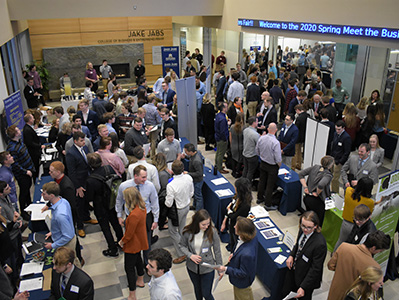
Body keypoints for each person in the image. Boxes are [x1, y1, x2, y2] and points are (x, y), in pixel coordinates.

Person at [328, 231, 391, 300]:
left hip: (335, 292)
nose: (379, 253)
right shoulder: (375, 267)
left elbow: (330, 266)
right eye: (380, 251)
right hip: (354, 296)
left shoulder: (344, 246)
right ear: (373, 248)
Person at [116, 165, 159, 264]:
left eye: (146, 176)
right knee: (132, 241)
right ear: (135, 176)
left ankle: (147, 264)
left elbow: (154, 203)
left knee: (146, 243)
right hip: (130, 217)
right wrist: (119, 215)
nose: (145, 179)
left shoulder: (150, 186)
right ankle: (137, 263)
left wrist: (155, 220)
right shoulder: (124, 186)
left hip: (145, 217)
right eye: (143, 177)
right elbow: (119, 201)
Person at [282, 211, 327, 300]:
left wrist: (303, 287)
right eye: (303, 226)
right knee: (285, 292)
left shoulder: (320, 244)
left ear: (316, 226)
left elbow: (315, 269)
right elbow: (297, 245)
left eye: (309, 227)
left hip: (306, 279)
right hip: (295, 270)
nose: (305, 229)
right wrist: (291, 255)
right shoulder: (302, 230)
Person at [179, 209, 223, 300]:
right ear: (196, 223)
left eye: (208, 223)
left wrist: (220, 268)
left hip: (207, 267)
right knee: (197, 290)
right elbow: (182, 245)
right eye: (203, 224)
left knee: (206, 293)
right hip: (192, 268)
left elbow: (217, 251)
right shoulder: (187, 231)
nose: (206, 226)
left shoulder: (212, 231)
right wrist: (190, 255)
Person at [86, 153, 123, 257]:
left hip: (100, 206)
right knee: (116, 223)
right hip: (112, 201)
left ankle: (112, 249)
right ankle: (122, 242)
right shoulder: (108, 168)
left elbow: (89, 197)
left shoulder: (90, 180)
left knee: (105, 227)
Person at [66, 131, 98, 238]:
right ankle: (80, 226)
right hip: (79, 183)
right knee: (79, 205)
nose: (84, 142)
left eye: (84, 140)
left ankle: (87, 218)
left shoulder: (84, 148)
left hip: (86, 180)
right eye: (81, 140)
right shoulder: (71, 153)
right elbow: (72, 172)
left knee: (85, 202)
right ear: (75, 141)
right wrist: (77, 187)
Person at [217, 217, 258, 300]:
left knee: (241, 296)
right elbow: (238, 246)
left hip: (242, 283)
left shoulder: (247, 254)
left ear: (242, 232)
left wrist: (226, 269)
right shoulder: (249, 238)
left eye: (237, 226)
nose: (234, 226)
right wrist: (234, 254)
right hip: (243, 279)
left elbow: (243, 273)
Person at [119, 187, 148, 300]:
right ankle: (140, 278)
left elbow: (129, 234)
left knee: (129, 268)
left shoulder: (134, 215)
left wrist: (122, 241)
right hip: (140, 240)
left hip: (132, 244)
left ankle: (132, 294)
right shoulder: (142, 208)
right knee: (137, 259)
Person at [42, 182, 80, 265]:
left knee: (70, 264)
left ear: (51, 195)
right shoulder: (63, 201)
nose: (42, 195)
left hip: (66, 244)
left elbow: (67, 236)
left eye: (44, 194)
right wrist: (54, 232)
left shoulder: (60, 215)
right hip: (63, 237)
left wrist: (52, 245)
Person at [334, 177, 375, 251]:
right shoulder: (370, 202)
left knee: (340, 241)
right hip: (359, 227)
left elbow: (350, 188)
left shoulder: (349, 191)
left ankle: (334, 255)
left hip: (346, 223)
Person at [166, 160, 194, 264]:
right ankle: (186, 245)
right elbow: (192, 193)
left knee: (173, 231)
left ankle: (182, 253)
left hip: (176, 210)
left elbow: (168, 203)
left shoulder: (171, 185)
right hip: (186, 206)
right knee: (182, 229)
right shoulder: (189, 178)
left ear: (172, 170)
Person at [6, 125, 34, 219]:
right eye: (18, 130)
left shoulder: (20, 142)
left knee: (27, 190)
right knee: (23, 192)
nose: (20, 131)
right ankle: (23, 212)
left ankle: (30, 205)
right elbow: (15, 164)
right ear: (15, 134)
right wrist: (25, 172)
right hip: (22, 174)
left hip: (29, 169)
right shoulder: (12, 148)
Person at [299, 156, 334, 226]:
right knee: (317, 220)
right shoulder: (328, 175)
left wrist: (305, 187)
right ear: (330, 165)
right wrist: (318, 193)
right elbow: (321, 185)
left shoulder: (315, 167)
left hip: (307, 198)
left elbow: (301, 174)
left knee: (308, 216)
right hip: (317, 201)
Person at [0, 182, 23, 285]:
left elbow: (14, 212)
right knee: (13, 263)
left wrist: (19, 220)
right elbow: (7, 225)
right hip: (10, 238)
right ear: (1, 193)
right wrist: (16, 223)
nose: (10, 188)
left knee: (18, 257)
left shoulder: (7, 197)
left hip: (16, 233)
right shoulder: (1, 206)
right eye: (7, 188)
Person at [221, 178, 252, 252]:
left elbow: (234, 216)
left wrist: (229, 211)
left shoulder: (245, 204)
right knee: (231, 239)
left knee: (235, 242)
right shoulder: (237, 196)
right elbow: (231, 206)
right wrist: (224, 221)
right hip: (231, 224)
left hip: (237, 227)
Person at [256, 123, 282, 210]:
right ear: (275, 130)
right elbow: (278, 158)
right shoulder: (276, 142)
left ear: (267, 129)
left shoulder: (261, 138)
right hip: (272, 166)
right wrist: (278, 166)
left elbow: (257, 151)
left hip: (263, 163)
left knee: (262, 181)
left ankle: (259, 198)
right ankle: (268, 204)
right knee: (270, 185)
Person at [330, 120, 352, 193]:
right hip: (333, 159)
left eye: (339, 129)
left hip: (339, 161)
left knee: (335, 179)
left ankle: (335, 193)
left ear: (343, 128)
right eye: (336, 129)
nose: (337, 131)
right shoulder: (335, 134)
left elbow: (347, 152)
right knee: (331, 176)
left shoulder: (346, 138)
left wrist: (340, 162)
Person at [23, 113, 45, 180]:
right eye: (32, 118)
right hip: (33, 152)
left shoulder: (29, 127)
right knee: (35, 166)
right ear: (29, 119)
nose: (34, 119)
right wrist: (39, 146)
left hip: (34, 150)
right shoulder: (27, 130)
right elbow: (30, 143)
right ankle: (36, 179)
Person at [152, 153, 171, 231]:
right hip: (163, 195)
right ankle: (161, 224)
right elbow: (164, 186)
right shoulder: (163, 174)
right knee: (163, 211)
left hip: (159, 195)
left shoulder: (157, 171)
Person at [182, 143, 204, 211]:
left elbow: (199, 173)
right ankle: (194, 206)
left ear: (190, 152)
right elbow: (190, 157)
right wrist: (185, 157)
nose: (185, 153)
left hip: (197, 180)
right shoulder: (194, 154)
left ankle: (198, 210)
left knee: (198, 196)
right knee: (195, 194)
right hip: (194, 179)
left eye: (186, 152)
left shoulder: (196, 161)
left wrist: (188, 173)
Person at [242, 116, 260, 185]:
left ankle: (242, 183)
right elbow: (258, 145)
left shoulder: (245, 130)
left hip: (245, 153)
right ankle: (247, 185)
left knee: (245, 169)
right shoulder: (255, 134)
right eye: (257, 121)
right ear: (254, 123)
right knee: (250, 172)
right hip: (252, 155)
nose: (258, 123)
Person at [292, 104, 309, 171]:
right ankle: (299, 164)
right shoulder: (308, 116)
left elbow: (296, 128)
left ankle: (293, 166)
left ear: (298, 110)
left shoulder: (299, 118)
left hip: (298, 137)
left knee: (296, 152)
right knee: (300, 152)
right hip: (304, 136)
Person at [214, 102, 230, 173]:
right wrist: (225, 139)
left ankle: (217, 164)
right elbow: (223, 131)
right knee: (221, 153)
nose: (227, 108)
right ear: (223, 108)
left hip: (217, 136)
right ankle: (219, 168)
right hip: (221, 139)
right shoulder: (223, 119)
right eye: (226, 107)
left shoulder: (218, 115)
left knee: (218, 152)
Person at [229, 113, 244, 178]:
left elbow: (230, 137)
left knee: (233, 159)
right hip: (241, 146)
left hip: (233, 145)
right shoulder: (244, 128)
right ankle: (237, 172)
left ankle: (233, 171)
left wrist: (231, 145)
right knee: (240, 160)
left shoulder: (232, 127)